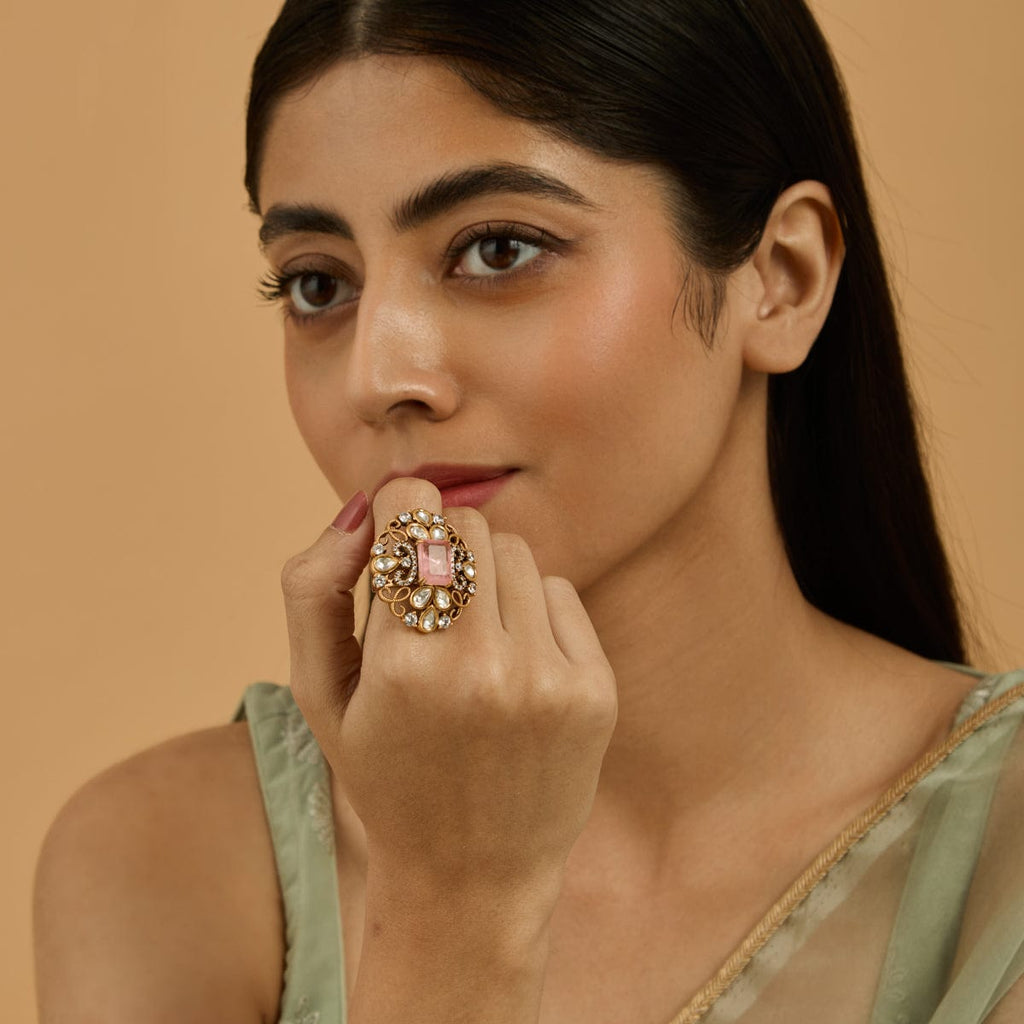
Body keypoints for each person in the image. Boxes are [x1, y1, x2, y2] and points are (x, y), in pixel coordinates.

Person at [33, 1, 1024, 1021]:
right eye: (319, 283)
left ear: (780, 279)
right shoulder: (165, 865)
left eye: (499, 249)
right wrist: (452, 901)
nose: (378, 376)